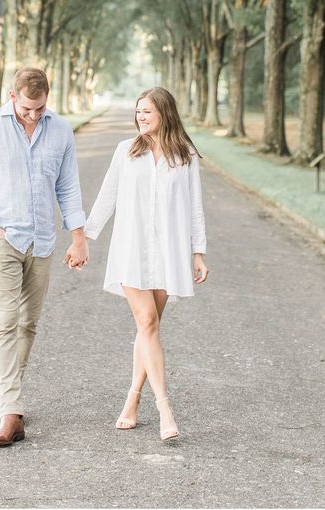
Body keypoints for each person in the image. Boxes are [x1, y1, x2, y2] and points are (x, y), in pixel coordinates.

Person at [0, 67, 89, 447]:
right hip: (1, 239)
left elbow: (68, 186)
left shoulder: (61, 130)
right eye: (28, 108)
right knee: (4, 321)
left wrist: (78, 237)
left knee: (28, 324)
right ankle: (10, 413)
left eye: (41, 108)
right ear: (12, 95)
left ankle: (7, 394)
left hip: (42, 242)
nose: (34, 115)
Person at [83, 87, 208, 441]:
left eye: (147, 112)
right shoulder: (127, 151)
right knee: (147, 321)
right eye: (138, 112)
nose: (140, 117)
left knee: (147, 330)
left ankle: (132, 400)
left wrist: (198, 252)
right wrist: (84, 238)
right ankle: (165, 407)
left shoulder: (185, 155)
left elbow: (195, 206)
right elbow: (107, 195)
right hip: (131, 250)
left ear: (164, 114)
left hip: (168, 253)